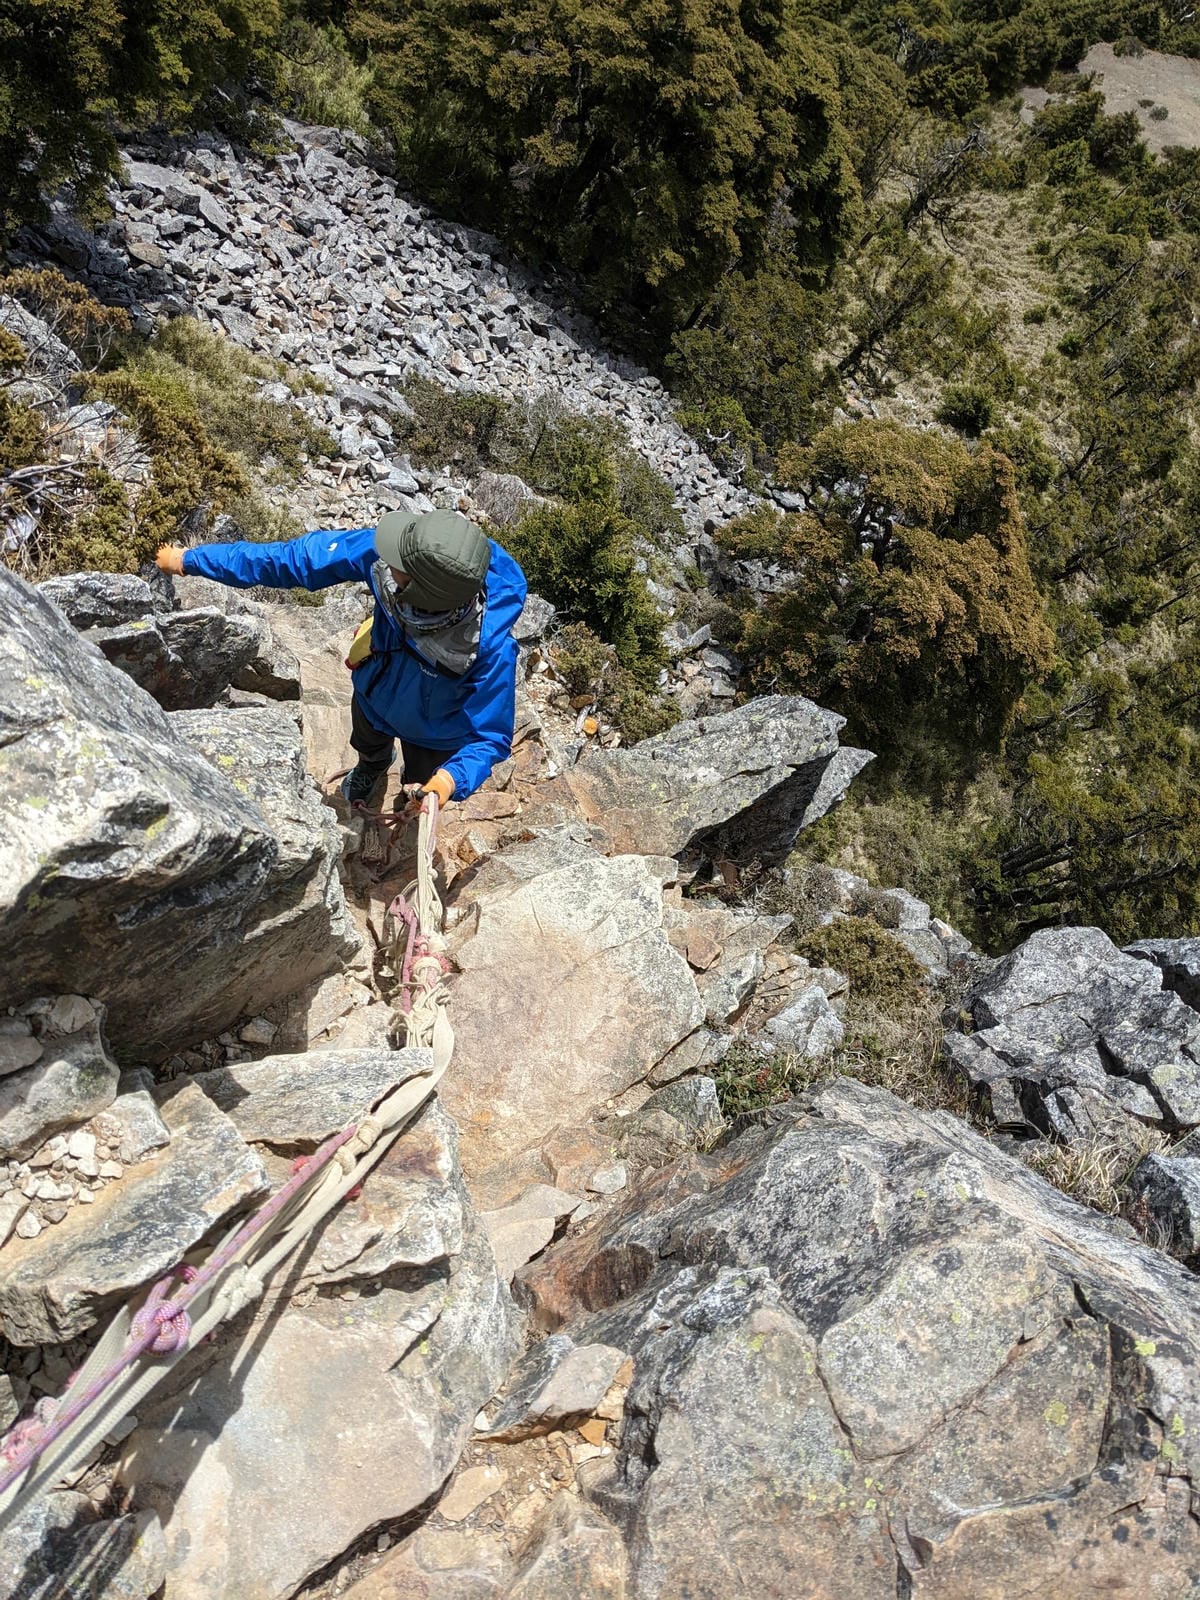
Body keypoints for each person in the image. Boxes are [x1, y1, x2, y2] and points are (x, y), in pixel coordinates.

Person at [156, 508, 527, 811]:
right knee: (367, 741)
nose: (385, 554)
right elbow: (293, 560)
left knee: (420, 782)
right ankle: (372, 766)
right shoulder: (402, 557)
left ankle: (411, 797)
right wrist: (192, 560)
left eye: (397, 562)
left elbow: (490, 737)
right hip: (375, 691)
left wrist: (449, 781)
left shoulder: (488, 651)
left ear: (420, 590)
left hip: (437, 732)